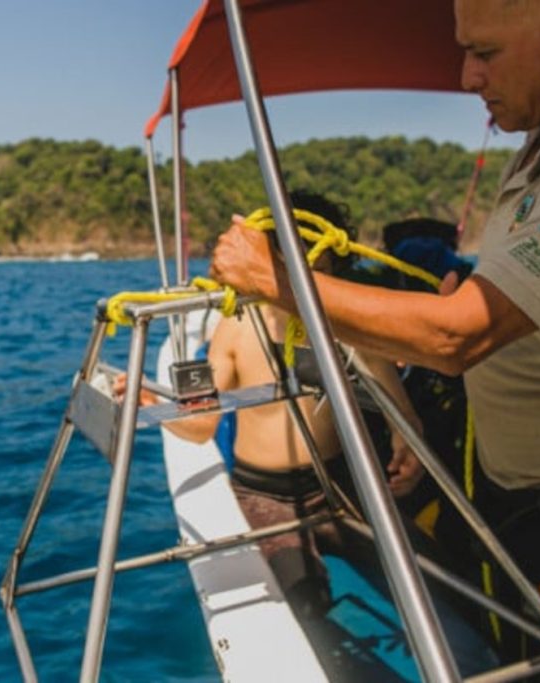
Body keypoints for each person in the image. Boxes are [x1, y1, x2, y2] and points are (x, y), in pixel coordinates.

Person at [209, 1, 540, 680]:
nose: (469, 76)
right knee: (530, 654)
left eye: (485, 52)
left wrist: (278, 279)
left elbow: (457, 336)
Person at [118, 191, 427, 617]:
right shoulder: (234, 326)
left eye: (321, 275)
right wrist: (152, 401)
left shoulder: (347, 326)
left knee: (429, 570)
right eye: (296, 274)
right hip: (266, 498)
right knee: (303, 601)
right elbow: (201, 425)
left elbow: (402, 415)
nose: (307, 291)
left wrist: (407, 447)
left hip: (338, 485)